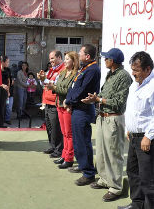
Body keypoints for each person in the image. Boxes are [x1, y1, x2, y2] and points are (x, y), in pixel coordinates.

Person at [84, 48, 132, 201]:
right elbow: (105, 96)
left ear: (112, 61)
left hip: (113, 118)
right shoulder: (110, 74)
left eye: (106, 58)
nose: (104, 60)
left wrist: (98, 100)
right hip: (103, 117)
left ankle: (116, 187)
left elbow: (118, 102)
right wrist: (95, 98)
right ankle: (105, 180)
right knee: (102, 153)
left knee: (114, 154)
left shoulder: (123, 76)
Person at [120, 51, 154, 209]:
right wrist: (129, 128)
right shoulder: (135, 84)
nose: (133, 73)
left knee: (148, 177)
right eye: (132, 69)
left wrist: (148, 136)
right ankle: (137, 203)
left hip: (146, 139)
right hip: (133, 137)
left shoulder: (152, 86)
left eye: (137, 70)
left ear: (147, 69)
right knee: (133, 172)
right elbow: (132, 110)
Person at [65, 44, 100, 186]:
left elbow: (82, 90)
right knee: (78, 140)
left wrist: (69, 101)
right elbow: (74, 87)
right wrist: (69, 99)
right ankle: (82, 164)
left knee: (83, 141)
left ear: (88, 56)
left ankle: (88, 173)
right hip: (77, 108)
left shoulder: (92, 70)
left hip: (83, 109)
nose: (79, 55)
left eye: (81, 53)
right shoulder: (85, 68)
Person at [53, 52, 79, 169]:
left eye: (68, 59)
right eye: (65, 58)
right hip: (59, 104)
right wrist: (56, 88)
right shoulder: (63, 72)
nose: (65, 61)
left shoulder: (76, 75)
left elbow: (68, 90)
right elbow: (58, 85)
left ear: (74, 61)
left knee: (69, 133)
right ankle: (64, 155)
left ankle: (69, 158)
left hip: (67, 106)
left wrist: (55, 88)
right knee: (64, 132)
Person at [40, 51, 65, 157]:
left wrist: (44, 79)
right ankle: (53, 146)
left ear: (59, 57)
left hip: (55, 102)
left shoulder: (63, 70)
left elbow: (55, 84)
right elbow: (44, 84)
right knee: (49, 127)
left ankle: (59, 149)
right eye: (50, 59)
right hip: (47, 101)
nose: (50, 61)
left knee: (56, 128)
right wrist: (42, 79)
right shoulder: (51, 70)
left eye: (52, 58)